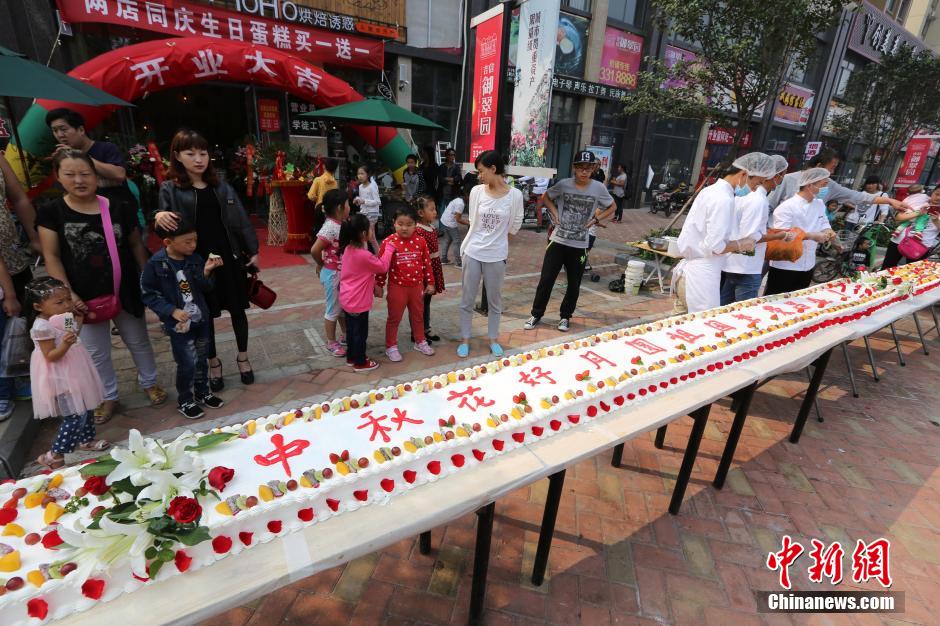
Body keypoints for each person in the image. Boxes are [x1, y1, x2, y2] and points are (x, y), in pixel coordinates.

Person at [39, 150, 165, 424]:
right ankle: (108, 395)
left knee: (138, 340)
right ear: (58, 177)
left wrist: (148, 279)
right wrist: (68, 294)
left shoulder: (119, 207)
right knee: (95, 350)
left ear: (95, 176)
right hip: (81, 295)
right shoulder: (51, 212)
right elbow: (52, 256)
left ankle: (150, 382)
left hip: (124, 288)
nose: (79, 180)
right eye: (70, 174)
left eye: (85, 174)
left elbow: (135, 245)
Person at [155, 129, 259, 389]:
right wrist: (158, 215)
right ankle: (214, 363)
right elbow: (163, 228)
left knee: (238, 310)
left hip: (228, 257)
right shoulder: (170, 189)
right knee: (204, 315)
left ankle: (243, 358)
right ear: (177, 156)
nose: (199, 159)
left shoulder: (220, 186)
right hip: (195, 263)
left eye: (203, 153)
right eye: (191, 153)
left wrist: (252, 249)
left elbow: (241, 221)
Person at [141, 218, 225, 419]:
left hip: (200, 320)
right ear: (168, 242)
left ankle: (202, 392)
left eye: (195, 240)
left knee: (202, 358)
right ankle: (185, 399)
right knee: (187, 362)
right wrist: (171, 310)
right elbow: (148, 294)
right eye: (187, 242)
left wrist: (207, 271)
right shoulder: (156, 264)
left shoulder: (195, 259)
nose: (193, 245)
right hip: (179, 325)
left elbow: (206, 287)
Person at [524, 151, 616, 332]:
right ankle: (536, 314)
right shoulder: (564, 184)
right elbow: (546, 197)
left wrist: (596, 220)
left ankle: (565, 316)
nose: (584, 171)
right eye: (581, 168)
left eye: (588, 168)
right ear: (574, 167)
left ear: (593, 169)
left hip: (580, 245)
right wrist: (555, 213)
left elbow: (612, 206)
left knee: (574, 283)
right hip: (558, 241)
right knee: (546, 279)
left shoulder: (598, 188)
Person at [26, 276, 110, 470]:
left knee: (85, 404)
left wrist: (78, 320)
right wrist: (65, 344)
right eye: (59, 302)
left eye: (68, 299)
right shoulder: (41, 327)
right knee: (74, 414)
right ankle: (54, 454)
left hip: (75, 366)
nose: (67, 305)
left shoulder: (63, 316)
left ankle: (86, 440)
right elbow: (51, 356)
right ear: (38, 306)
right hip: (59, 374)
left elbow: (73, 335)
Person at [457, 151, 524, 358]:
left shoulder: (515, 195)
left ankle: (493, 339)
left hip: (496, 256)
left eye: (481, 171)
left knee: (495, 301)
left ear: (493, 169)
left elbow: (515, 225)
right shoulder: (477, 191)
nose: (479, 176)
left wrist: (498, 243)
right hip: (473, 252)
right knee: (467, 299)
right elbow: (473, 222)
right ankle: (465, 339)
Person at [672, 158, 758, 313]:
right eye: (757, 183)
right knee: (702, 323)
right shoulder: (723, 199)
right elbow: (715, 246)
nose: (754, 189)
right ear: (743, 174)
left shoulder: (711, 190)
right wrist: (740, 245)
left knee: (679, 323)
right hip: (701, 277)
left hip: (692, 272)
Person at [720, 153, 793, 304]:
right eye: (783, 175)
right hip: (747, 267)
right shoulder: (759, 200)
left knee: (723, 308)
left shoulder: (744, 197)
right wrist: (780, 236)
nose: (782, 180)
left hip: (733, 262)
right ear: (774, 175)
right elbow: (752, 237)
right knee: (744, 310)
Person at [768, 147, 909, 214]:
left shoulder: (828, 188)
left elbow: (858, 196)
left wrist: (889, 201)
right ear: (819, 166)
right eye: (832, 167)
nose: (833, 173)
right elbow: (769, 207)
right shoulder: (788, 180)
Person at [765, 168, 839, 295]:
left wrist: (829, 231)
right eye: (823, 185)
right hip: (786, 264)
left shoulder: (819, 204)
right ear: (810, 185)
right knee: (776, 300)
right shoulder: (787, 207)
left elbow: (823, 222)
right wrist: (811, 236)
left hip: (808, 264)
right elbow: (782, 235)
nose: (826, 189)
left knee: (799, 300)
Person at [376, 205, 435, 361]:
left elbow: (427, 263)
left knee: (418, 316)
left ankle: (420, 341)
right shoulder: (389, 242)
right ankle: (391, 346)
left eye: (409, 224)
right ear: (394, 223)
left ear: (416, 224)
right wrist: (379, 284)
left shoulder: (421, 241)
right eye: (400, 224)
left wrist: (430, 283)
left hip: (417, 287)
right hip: (397, 288)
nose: (404, 228)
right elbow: (382, 266)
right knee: (394, 318)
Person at [339, 214, 395, 372]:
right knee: (360, 334)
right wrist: (389, 248)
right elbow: (382, 266)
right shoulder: (364, 255)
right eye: (370, 229)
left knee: (351, 331)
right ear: (364, 234)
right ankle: (360, 362)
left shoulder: (348, 249)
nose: (372, 231)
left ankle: (351, 357)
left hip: (347, 299)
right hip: (358, 302)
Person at [310, 189, 350, 358]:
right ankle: (331, 342)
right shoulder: (331, 227)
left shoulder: (341, 223)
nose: (350, 207)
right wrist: (321, 264)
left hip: (340, 273)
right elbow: (314, 249)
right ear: (340, 207)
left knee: (341, 307)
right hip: (333, 274)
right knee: (333, 309)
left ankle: (346, 335)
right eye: (348, 204)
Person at [45, 108, 127, 190]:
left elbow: (119, 175)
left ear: (81, 130)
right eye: (55, 131)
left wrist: (80, 155)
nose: (60, 135)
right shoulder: (63, 156)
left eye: (63, 129)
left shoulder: (106, 148)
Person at [881, 186, 940, 269]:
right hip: (899, 240)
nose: (938, 198)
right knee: (887, 268)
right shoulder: (919, 201)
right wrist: (919, 213)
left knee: (913, 272)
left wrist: (936, 220)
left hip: (921, 246)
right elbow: (898, 218)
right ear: (932, 192)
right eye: (937, 194)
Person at [412, 195, 445, 343]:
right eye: (431, 209)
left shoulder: (431, 228)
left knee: (426, 301)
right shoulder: (418, 230)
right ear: (420, 213)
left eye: (435, 209)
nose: (435, 212)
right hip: (424, 270)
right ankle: (416, 332)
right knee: (419, 302)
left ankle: (425, 329)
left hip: (433, 267)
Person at [440, 180, 471, 266]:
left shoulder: (458, 199)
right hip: (449, 222)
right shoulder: (461, 204)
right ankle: (458, 262)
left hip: (445, 220)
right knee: (457, 241)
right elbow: (458, 219)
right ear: (466, 194)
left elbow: (457, 217)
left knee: (447, 240)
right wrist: (468, 223)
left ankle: (443, 259)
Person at [353, 164, 381, 251]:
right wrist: (357, 200)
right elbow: (362, 200)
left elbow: (378, 201)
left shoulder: (372, 186)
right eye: (358, 174)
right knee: (370, 237)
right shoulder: (360, 186)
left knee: (366, 237)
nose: (360, 176)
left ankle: (369, 255)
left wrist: (364, 201)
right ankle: (377, 255)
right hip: (364, 213)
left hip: (372, 214)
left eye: (362, 173)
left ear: (368, 175)